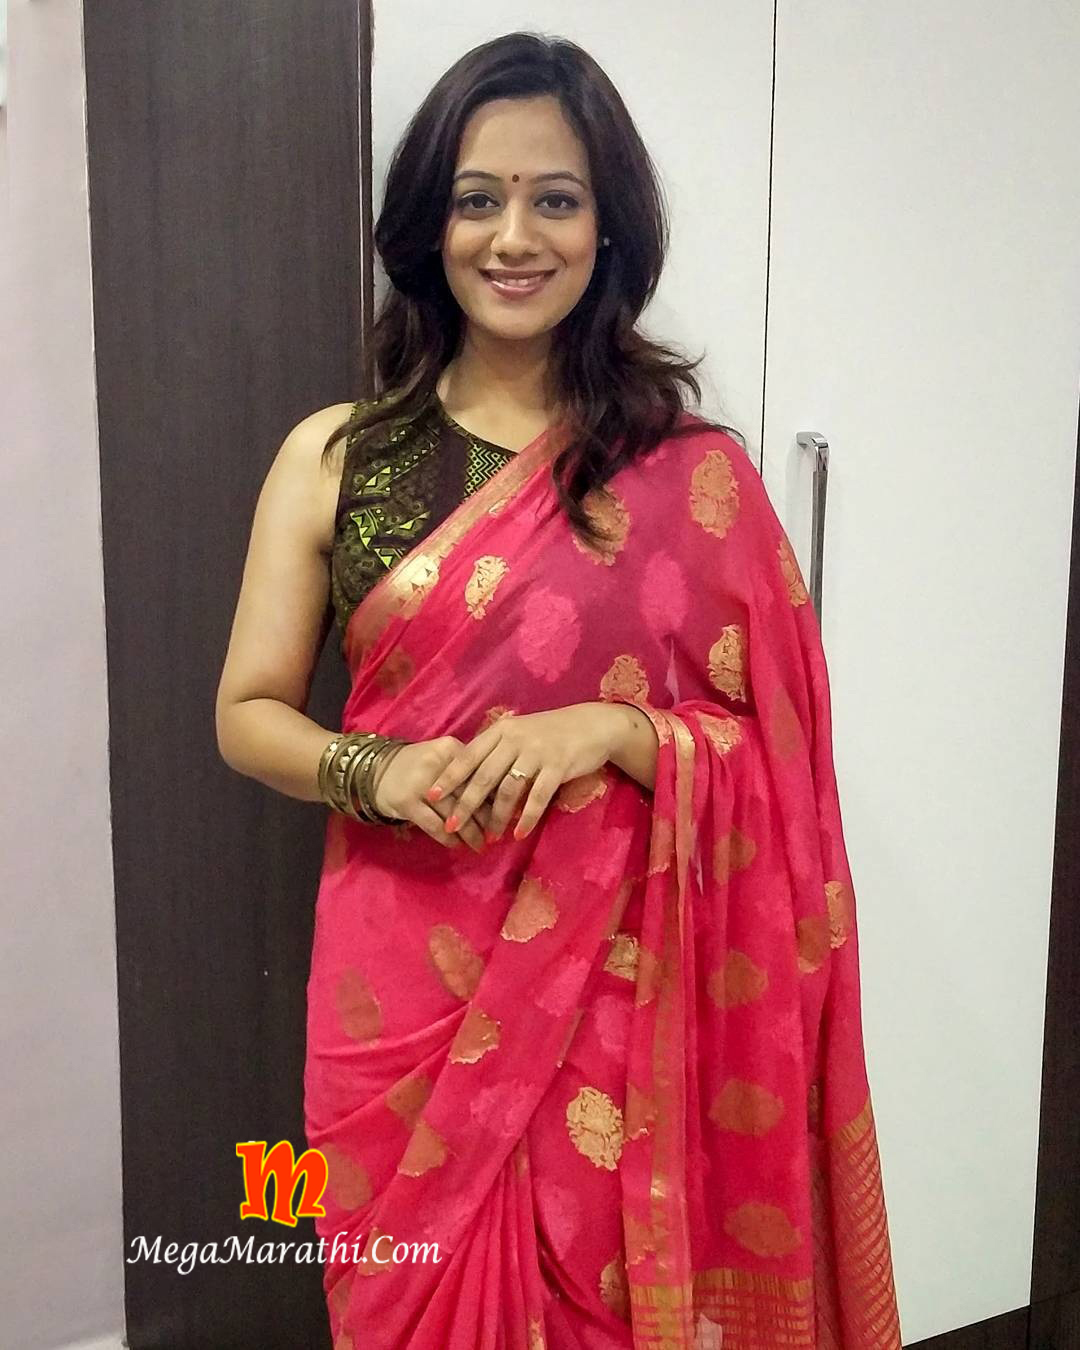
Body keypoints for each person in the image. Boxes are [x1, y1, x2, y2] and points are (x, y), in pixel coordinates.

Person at [215, 30, 903, 1350]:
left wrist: (617, 730)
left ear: (609, 227)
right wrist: (375, 768)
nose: (514, 237)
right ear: (429, 223)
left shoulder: (693, 475)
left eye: (557, 199)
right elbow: (247, 713)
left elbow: (784, 761)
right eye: (478, 198)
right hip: (400, 980)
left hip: (619, 1002)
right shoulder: (338, 457)